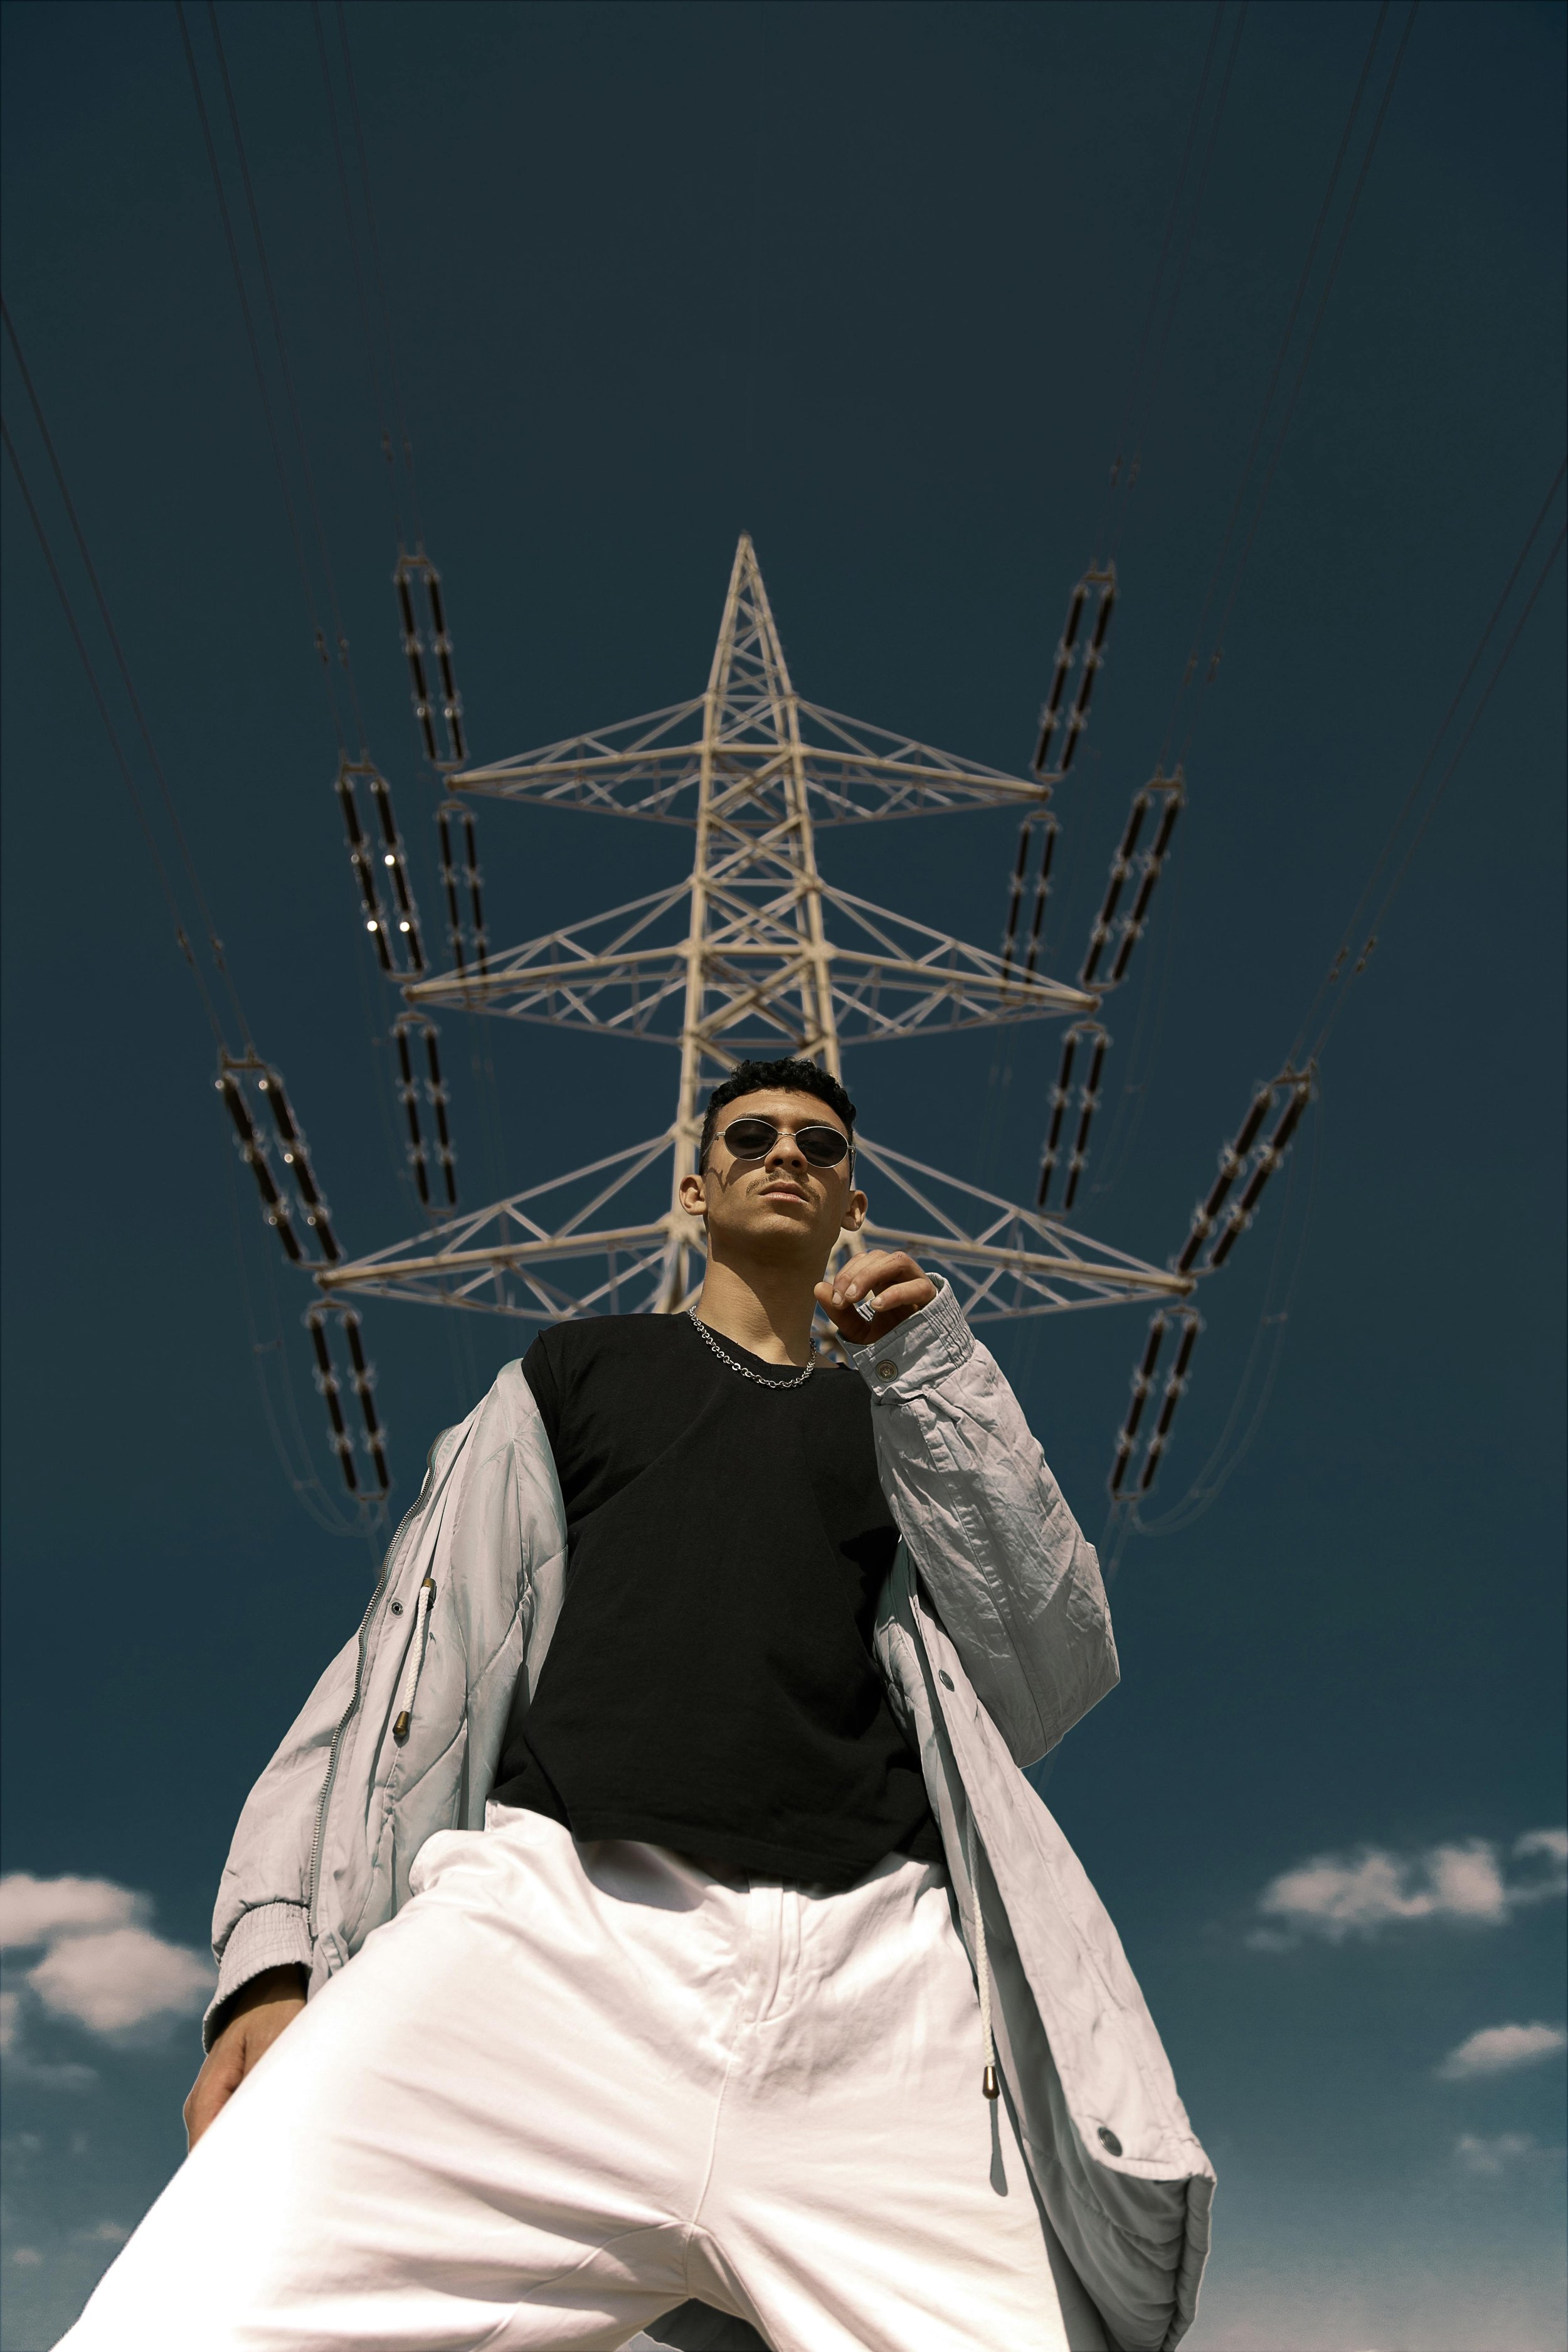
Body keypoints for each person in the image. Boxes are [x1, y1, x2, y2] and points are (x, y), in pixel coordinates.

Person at [59, 1057, 1213, 2352]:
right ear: (692, 1186)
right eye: (752, 1137)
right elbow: (398, 1662)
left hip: (881, 2003)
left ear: (852, 1202)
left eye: (820, 1148)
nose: (786, 1157)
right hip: (544, 1947)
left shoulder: (911, 1426)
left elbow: (1049, 1667)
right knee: (180, 2324)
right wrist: (269, 1960)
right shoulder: (574, 1374)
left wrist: (934, 1376)